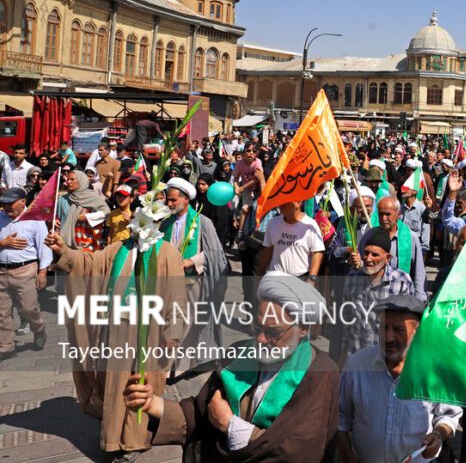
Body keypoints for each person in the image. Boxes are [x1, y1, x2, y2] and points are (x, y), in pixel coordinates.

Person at [123, 273, 340, 461]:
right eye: (257, 328)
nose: (261, 339)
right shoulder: (239, 352)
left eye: (273, 332)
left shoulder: (321, 374)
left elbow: (299, 452)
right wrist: (153, 403)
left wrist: (231, 426)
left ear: (302, 329)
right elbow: (199, 412)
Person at [46, 216, 186, 459]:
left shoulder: (166, 253)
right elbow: (89, 263)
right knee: (114, 389)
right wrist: (64, 250)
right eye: (136, 220)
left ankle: (133, 441)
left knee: (138, 386)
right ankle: (113, 437)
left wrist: (173, 333)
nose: (137, 225)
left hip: (146, 333)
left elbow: (177, 295)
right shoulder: (120, 248)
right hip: (113, 331)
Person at [337, 294, 461, 463]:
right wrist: (346, 454)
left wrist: (439, 434)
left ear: (417, 331)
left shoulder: (436, 370)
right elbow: (340, 417)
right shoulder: (357, 366)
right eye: (383, 328)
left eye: (398, 330)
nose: (388, 338)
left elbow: (448, 416)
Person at [162, 177, 228, 375]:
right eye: (168, 200)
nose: (170, 203)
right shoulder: (165, 223)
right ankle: (168, 364)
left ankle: (182, 367)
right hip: (168, 283)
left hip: (192, 282)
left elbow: (215, 253)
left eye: (174, 200)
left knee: (188, 324)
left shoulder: (202, 222)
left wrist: (191, 262)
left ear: (186, 200)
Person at [338, 229, 415, 362]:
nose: (368, 259)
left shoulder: (401, 282)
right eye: (366, 253)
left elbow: (409, 326)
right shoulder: (352, 280)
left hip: (387, 360)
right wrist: (342, 358)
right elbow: (347, 322)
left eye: (375, 255)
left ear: (387, 258)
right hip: (357, 357)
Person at [0, 187, 50, 358]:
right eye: (4, 203)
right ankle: (6, 346)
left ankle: (39, 329)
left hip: (25, 268)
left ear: (23, 202)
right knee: (2, 312)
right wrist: (3, 243)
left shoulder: (35, 220)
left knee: (28, 308)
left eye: (10, 203)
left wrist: (42, 272)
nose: (6, 206)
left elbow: (44, 247)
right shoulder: (0, 218)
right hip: (2, 270)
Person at [256, 199, 325, 281]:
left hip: (300, 279)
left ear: (298, 203)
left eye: (286, 202)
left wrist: (311, 279)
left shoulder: (310, 225)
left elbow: (317, 252)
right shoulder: (273, 223)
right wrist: (259, 274)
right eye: (280, 201)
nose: (281, 205)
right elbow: (267, 250)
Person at [376, 195, 426, 301]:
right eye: (380, 214)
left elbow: (419, 271)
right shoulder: (372, 235)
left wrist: (419, 299)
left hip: (401, 297)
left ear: (398, 214)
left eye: (388, 214)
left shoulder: (411, 237)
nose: (383, 218)